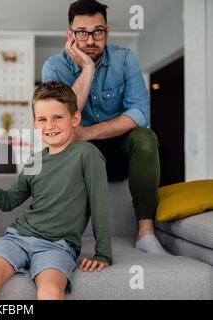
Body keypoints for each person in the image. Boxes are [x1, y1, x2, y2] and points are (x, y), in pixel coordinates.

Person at [42, 0, 168, 255]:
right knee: (56, 147)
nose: (90, 40)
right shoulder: (54, 66)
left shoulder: (125, 58)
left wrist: (88, 132)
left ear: (107, 32)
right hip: (78, 155)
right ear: (70, 35)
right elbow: (61, 118)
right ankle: (60, 236)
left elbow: (140, 113)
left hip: (118, 149)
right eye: (82, 32)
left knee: (145, 137)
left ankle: (145, 234)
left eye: (97, 32)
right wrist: (87, 69)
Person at [0, 81, 112, 300]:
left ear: (75, 118)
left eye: (58, 117)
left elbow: (100, 205)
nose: (50, 125)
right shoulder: (34, 161)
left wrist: (103, 254)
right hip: (17, 238)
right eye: (43, 119)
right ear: (35, 123)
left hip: (58, 246)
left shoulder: (88, 154)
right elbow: (8, 201)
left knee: (50, 293)